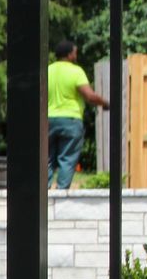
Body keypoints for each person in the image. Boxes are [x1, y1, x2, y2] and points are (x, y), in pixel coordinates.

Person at [46, 39, 109, 189]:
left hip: (48, 121)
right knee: (67, 159)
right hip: (71, 120)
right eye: (75, 52)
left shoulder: (47, 70)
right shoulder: (76, 71)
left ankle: (43, 194)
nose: (76, 55)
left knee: (46, 159)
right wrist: (105, 103)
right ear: (69, 55)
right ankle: (61, 194)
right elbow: (89, 96)